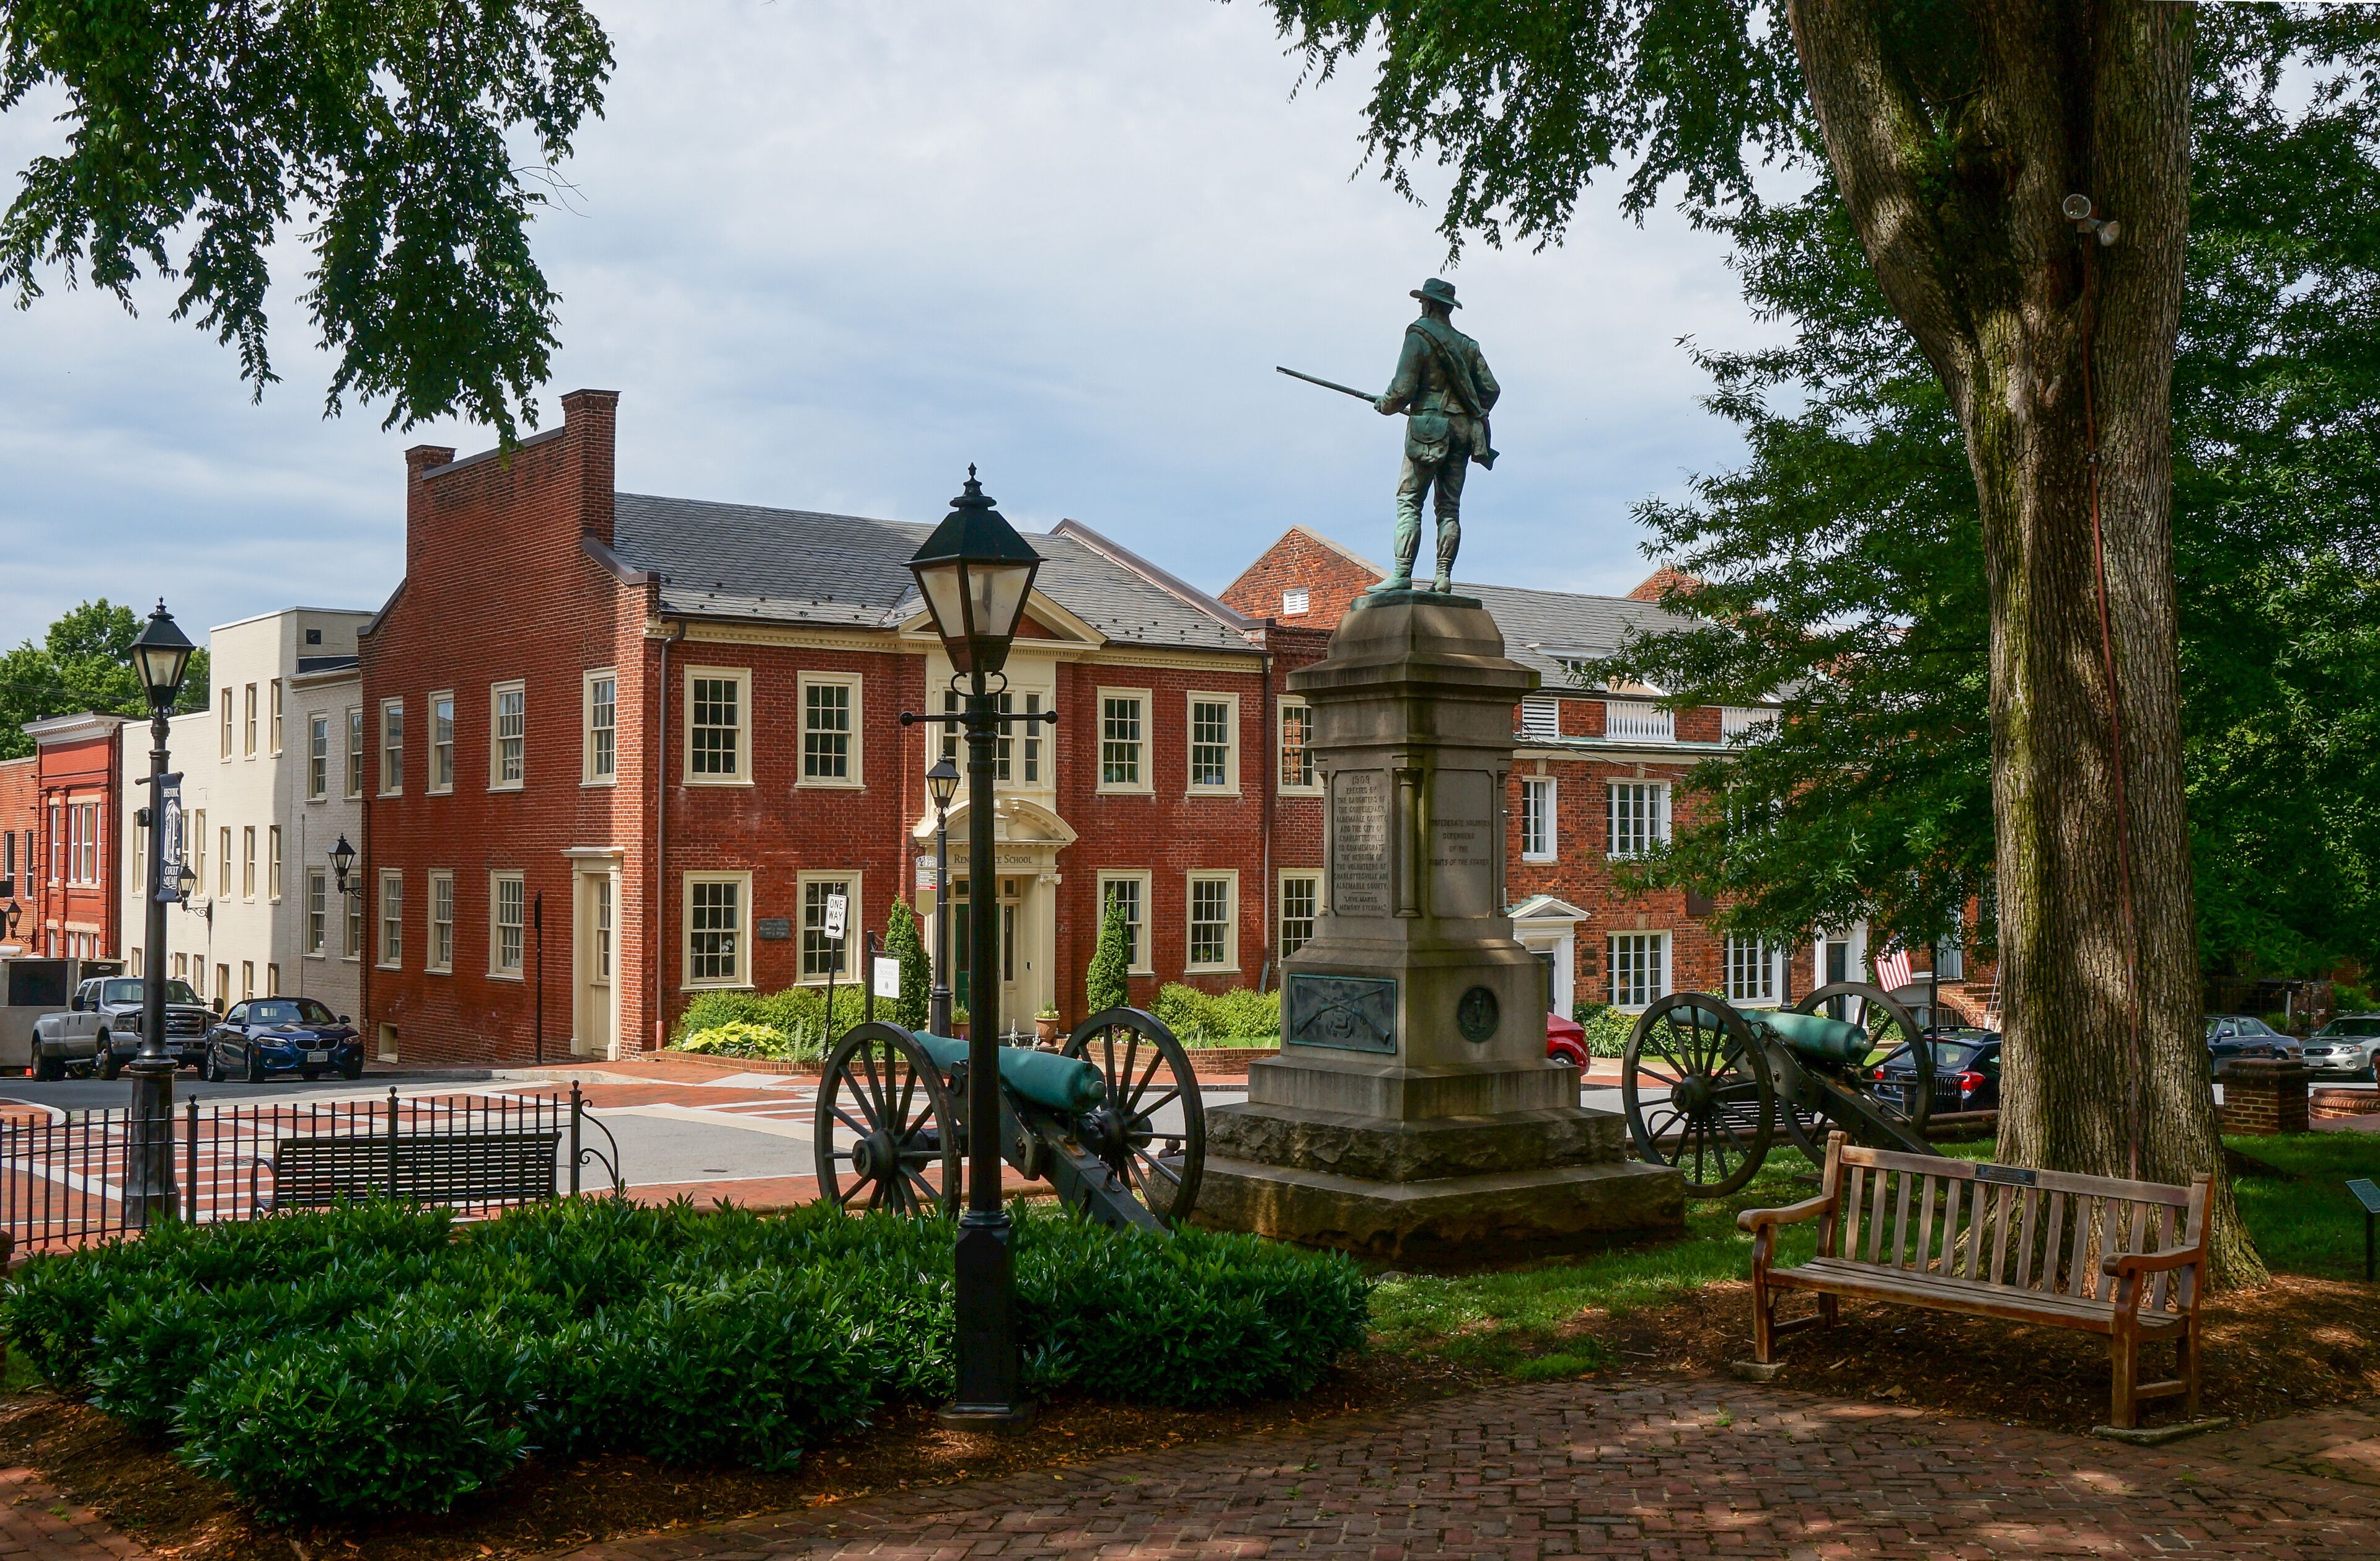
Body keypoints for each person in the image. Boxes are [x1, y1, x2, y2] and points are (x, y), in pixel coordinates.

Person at [1373, 278, 1499, 593]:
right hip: (1462, 433)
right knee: (1449, 508)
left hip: (1428, 432)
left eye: (1422, 303)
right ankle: (1443, 576)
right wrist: (1464, 411)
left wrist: (1385, 404)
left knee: (1409, 501)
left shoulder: (1419, 336)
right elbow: (1491, 389)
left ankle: (1402, 573)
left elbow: (1402, 389)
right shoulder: (1469, 346)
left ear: (1428, 305)